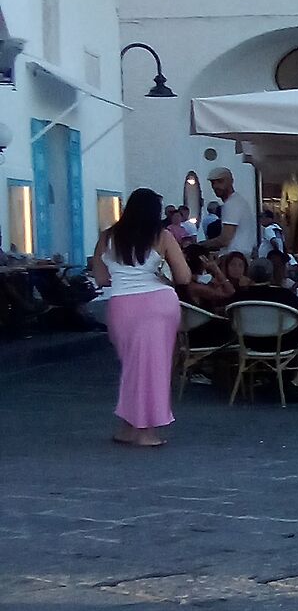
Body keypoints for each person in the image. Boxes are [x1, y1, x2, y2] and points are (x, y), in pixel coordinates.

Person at [89, 189, 187, 448]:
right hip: (158, 303)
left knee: (132, 367)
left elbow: (100, 277)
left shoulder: (108, 237)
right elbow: (184, 276)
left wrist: (123, 275)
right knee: (154, 368)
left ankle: (128, 426)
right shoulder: (162, 236)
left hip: (122, 305)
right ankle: (146, 431)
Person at [204, 169, 251, 256]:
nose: (216, 186)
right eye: (213, 183)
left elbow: (225, 240)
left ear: (231, 181)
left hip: (234, 258)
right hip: (239, 256)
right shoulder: (237, 201)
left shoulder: (232, 204)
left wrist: (200, 245)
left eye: (220, 181)